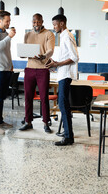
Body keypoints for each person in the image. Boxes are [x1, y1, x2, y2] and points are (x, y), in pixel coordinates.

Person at [46, 14, 79, 145]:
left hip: (65, 76)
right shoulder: (64, 36)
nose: (54, 27)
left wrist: (57, 64)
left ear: (62, 23)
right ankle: (67, 133)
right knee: (63, 105)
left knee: (63, 106)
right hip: (62, 74)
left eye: (55, 24)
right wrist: (55, 64)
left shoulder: (67, 36)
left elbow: (74, 57)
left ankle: (68, 137)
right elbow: (66, 57)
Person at [19, 13, 55, 133]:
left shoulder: (48, 34)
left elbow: (50, 50)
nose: (36, 24)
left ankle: (46, 123)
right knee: (28, 97)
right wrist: (22, 53)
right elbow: (24, 52)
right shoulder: (27, 35)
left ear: (42, 21)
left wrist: (44, 56)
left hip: (42, 70)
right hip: (29, 69)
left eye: (38, 22)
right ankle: (28, 122)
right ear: (32, 22)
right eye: (34, 22)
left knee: (44, 97)